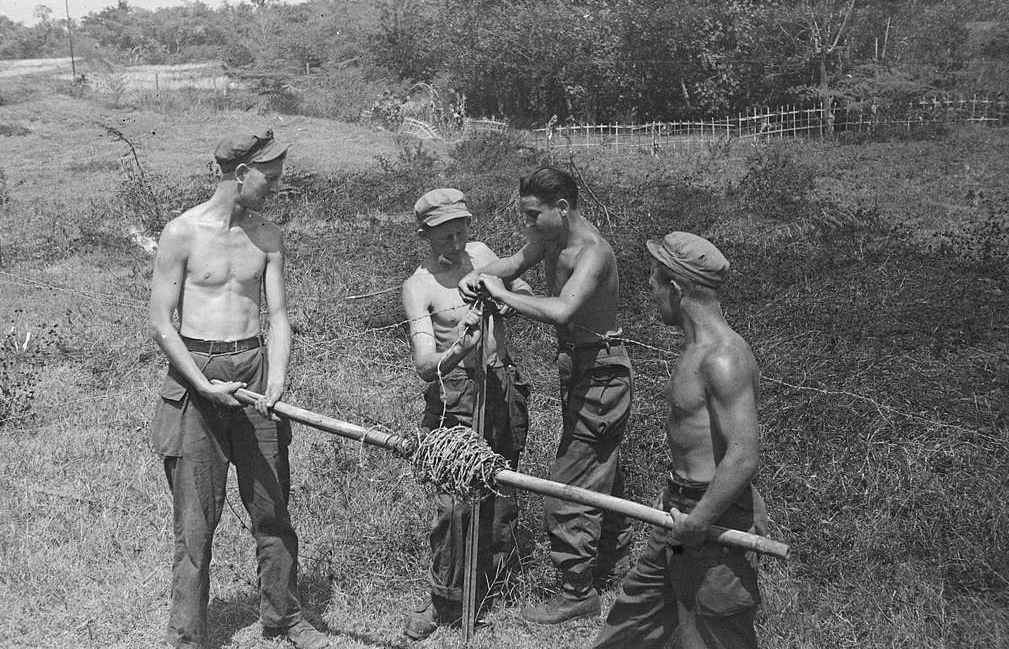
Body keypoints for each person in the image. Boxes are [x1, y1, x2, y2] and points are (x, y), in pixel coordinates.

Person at [148, 129, 330, 649]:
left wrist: (275, 378)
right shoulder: (181, 232)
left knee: (272, 508)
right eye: (268, 177)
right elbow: (162, 321)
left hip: (254, 372)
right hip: (194, 374)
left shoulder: (268, 235)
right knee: (195, 523)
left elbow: (277, 315)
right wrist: (203, 385)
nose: (275, 186)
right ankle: (187, 636)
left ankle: (283, 616)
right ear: (237, 173)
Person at [459, 166, 634, 625]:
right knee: (600, 470)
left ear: (562, 207)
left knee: (569, 484)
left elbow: (563, 310)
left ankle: (578, 592)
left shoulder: (592, 252)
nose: (529, 225)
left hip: (601, 372)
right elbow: (513, 263)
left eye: (535, 215)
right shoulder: (549, 238)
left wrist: (500, 292)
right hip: (579, 370)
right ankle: (616, 569)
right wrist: (478, 276)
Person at [590, 232, 768, 649]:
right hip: (679, 509)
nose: (650, 291)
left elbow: (743, 456)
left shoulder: (723, 358)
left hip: (712, 518)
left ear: (676, 287)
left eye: (654, 281)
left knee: (716, 634)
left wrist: (702, 519)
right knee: (633, 621)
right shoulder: (694, 349)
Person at [401, 188, 533, 640]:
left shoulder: (481, 254)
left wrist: (503, 294)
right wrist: (461, 346)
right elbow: (424, 366)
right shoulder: (418, 287)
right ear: (424, 235)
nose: (456, 244)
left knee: (501, 489)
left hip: (501, 385)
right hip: (455, 396)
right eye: (445, 237)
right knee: (455, 503)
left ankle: (490, 589)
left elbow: (522, 290)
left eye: (461, 232)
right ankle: (444, 599)